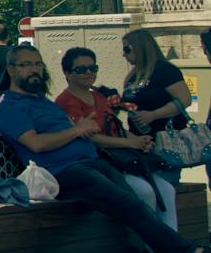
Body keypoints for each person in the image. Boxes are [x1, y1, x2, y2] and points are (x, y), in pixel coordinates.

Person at [0, 44, 209, 253]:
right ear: (11, 69)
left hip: (93, 163)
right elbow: (36, 144)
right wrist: (76, 130)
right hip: (63, 172)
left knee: (136, 205)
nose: (34, 70)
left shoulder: (43, 102)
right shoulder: (10, 106)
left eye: (38, 64)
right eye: (26, 65)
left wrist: (83, 128)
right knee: (131, 205)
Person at [55, 46, 177, 229]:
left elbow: (115, 127)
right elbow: (91, 138)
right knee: (145, 192)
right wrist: (130, 142)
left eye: (92, 68)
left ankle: (170, 244)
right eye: (81, 69)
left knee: (167, 189)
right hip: (101, 162)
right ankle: (150, 246)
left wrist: (138, 139)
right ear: (67, 73)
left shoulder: (98, 96)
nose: (88, 73)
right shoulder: (65, 102)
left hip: (123, 159)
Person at [120, 29, 195, 137]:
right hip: (141, 139)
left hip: (168, 136)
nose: (124, 54)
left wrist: (153, 115)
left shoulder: (164, 70)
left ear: (139, 48)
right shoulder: (133, 75)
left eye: (127, 49)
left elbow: (185, 100)